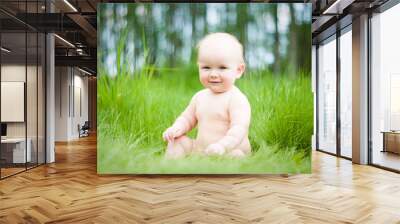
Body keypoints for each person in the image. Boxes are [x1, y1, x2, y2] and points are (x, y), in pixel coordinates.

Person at [162, 32, 251, 158]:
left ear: (238, 70)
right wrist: (176, 129)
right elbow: (187, 119)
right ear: (199, 67)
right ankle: (169, 170)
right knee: (178, 141)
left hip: (228, 149)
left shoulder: (236, 99)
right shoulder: (199, 97)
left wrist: (222, 146)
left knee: (236, 155)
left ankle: (227, 172)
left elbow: (239, 129)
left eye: (222, 67)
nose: (213, 74)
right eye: (206, 67)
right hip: (200, 150)